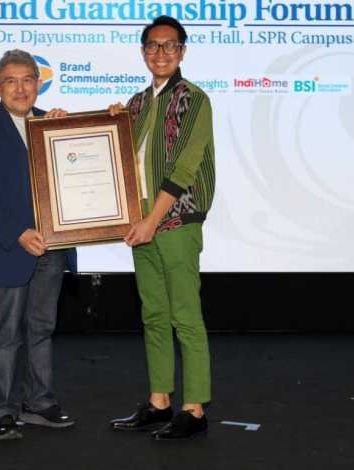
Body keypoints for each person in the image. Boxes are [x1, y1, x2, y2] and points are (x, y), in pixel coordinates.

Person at [108, 16, 216, 440]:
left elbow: (186, 167)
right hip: (142, 224)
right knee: (153, 314)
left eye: (170, 45)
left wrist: (153, 221)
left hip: (174, 222)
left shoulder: (195, 99)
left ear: (182, 51)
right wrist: (110, 121)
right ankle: (159, 402)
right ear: (143, 52)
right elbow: (118, 155)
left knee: (185, 315)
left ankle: (195, 409)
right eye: (153, 46)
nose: (161, 53)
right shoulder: (136, 103)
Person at [0, 49, 77, 440]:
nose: (20, 88)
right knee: (6, 334)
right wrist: (19, 233)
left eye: (28, 79)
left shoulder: (52, 124)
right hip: (9, 248)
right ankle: (1, 410)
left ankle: (39, 403)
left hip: (53, 247)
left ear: (38, 84)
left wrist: (71, 134)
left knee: (42, 329)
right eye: (10, 81)